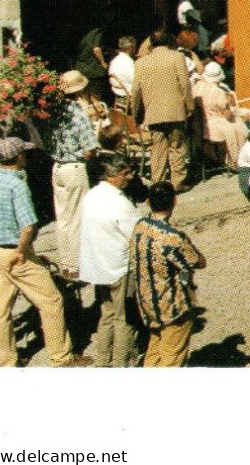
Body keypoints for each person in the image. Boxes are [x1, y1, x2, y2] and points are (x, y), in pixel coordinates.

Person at [0, 137, 86, 367]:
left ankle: (6, 362)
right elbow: (28, 226)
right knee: (51, 300)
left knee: (0, 310)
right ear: (19, 157)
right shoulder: (18, 184)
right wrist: (23, 251)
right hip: (17, 252)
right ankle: (61, 357)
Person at [128, 180, 205, 366]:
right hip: (172, 306)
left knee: (155, 350)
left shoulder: (140, 226)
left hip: (148, 302)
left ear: (148, 203)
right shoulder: (172, 237)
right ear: (175, 201)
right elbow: (198, 261)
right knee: (172, 357)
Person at [80, 152, 142, 367]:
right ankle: (122, 363)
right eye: (125, 173)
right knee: (124, 319)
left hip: (98, 265)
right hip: (119, 266)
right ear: (110, 175)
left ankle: (103, 361)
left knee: (106, 315)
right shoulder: (119, 202)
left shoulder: (92, 195)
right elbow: (137, 232)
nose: (131, 177)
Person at [45, 70, 101, 278]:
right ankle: (76, 265)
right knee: (77, 217)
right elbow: (88, 148)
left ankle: (66, 263)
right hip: (74, 167)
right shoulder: (77, 112)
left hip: (57, 167)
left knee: (63, 219)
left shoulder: (52, 110)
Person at [130, 28, 194, 191]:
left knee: (157, 148)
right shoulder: (177, 57)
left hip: (154, 113)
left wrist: (135, 112)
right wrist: (189, 105)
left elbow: (135, 90)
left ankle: (157, 181)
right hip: (175, 111)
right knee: (177, 146)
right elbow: (185, 83)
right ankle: (177, 181)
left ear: (151, 44)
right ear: (168, 41)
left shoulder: (141, 63)